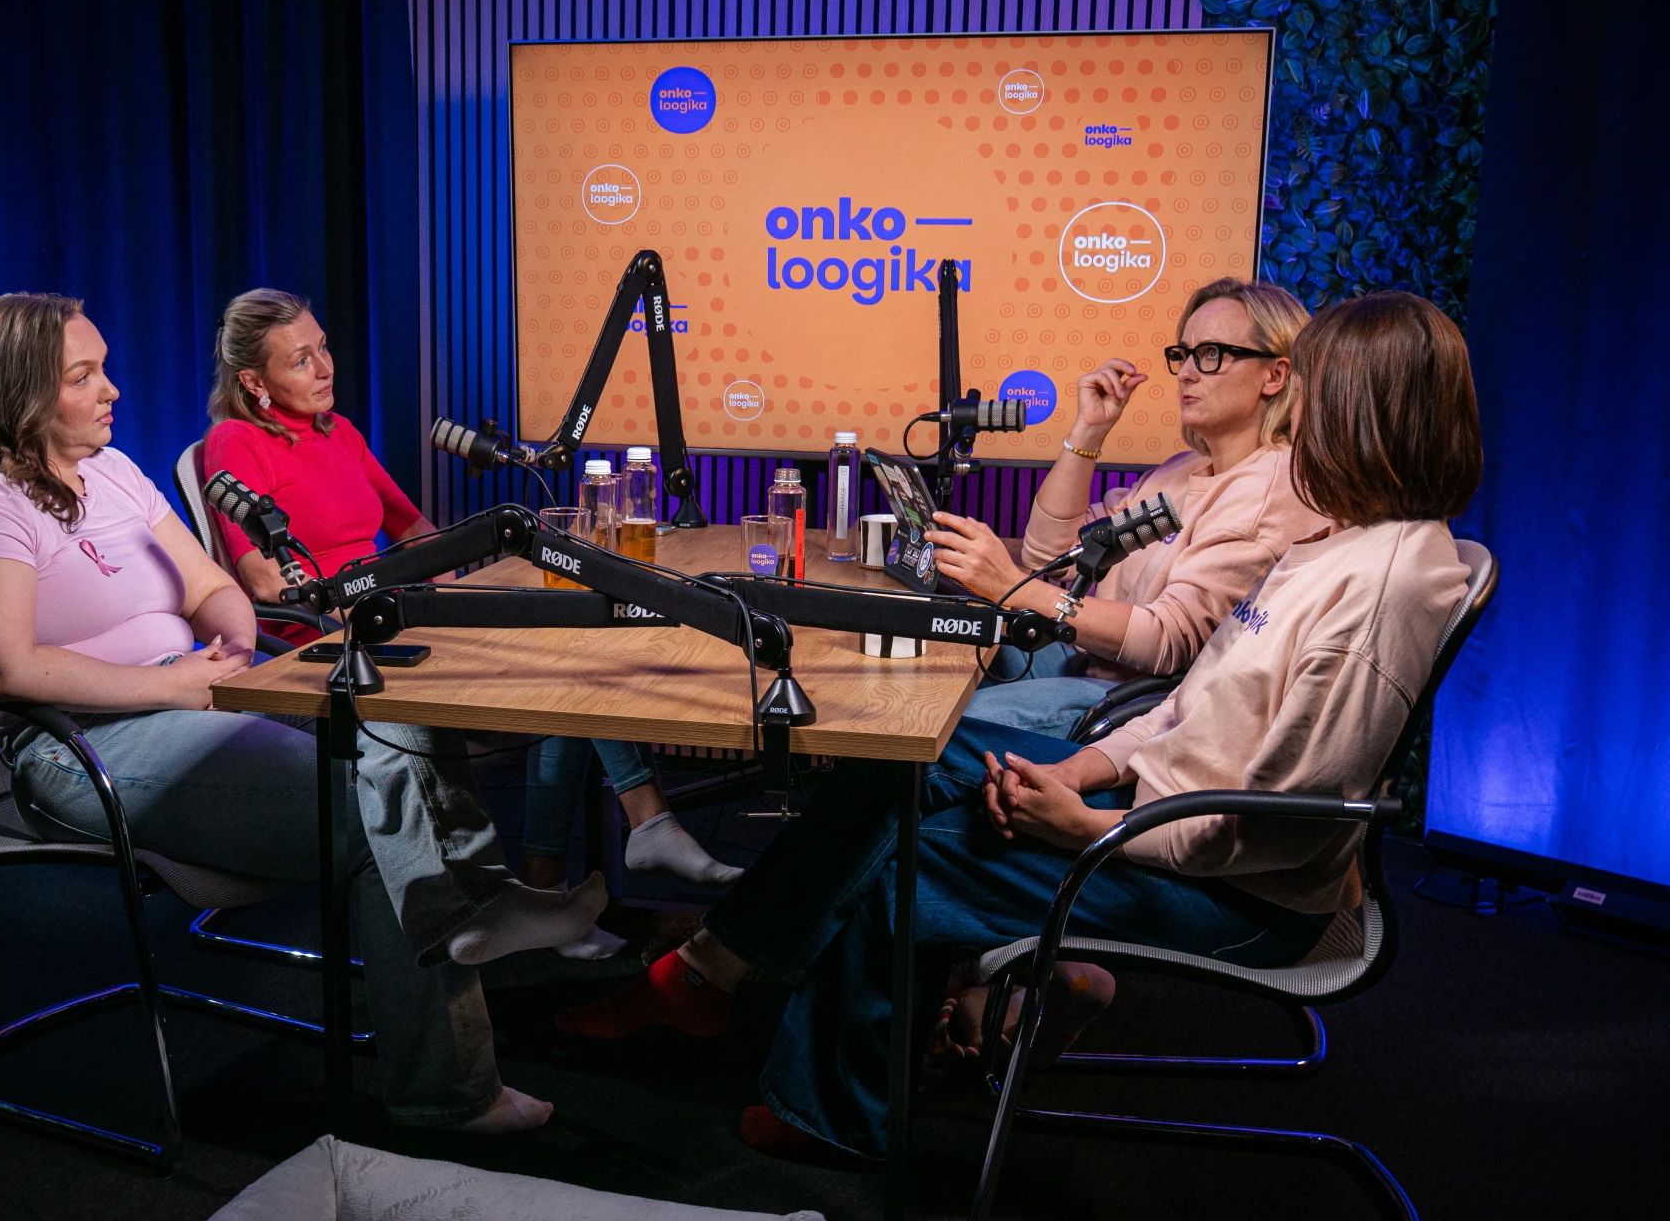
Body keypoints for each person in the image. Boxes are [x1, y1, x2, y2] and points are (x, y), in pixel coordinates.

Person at [559, 290, 1483, 1161]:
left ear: (1361, 411)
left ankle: (830, 1116)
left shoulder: (1379, 588)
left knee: (911, 862)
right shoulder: (1334, 543)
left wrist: (1089, 828)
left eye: (1311, 391)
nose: (1296, 415)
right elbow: (1190, 705)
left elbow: (1277, 827)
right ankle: (726, 981)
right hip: (1163, 811)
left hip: (1242, 898)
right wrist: (1086, 772)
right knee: (908, 770)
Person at [0, 292, 596, 1133]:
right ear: (18, 393)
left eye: (104, 368)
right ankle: (447, 1091)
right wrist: (174, 685)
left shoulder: (115, 474)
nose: (112, 390)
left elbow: (210, 584)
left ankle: (480, 897)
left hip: (200, 690)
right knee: (370, 813)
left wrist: (235, 642)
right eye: (82, 376)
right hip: (83, 743)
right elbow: (1, 666)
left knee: (403, 719)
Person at [201, 289, 741, 921]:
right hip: (328, 643)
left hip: (394, 620)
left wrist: (449, 590)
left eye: (323, 349)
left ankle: (552, 883)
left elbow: (414, 529)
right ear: (253, 381)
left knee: (572, 657)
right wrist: (384, 603)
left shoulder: (338, 432)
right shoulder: (235, 443)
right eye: (301, 360)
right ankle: (633, 830)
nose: (324, 369)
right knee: (566, 666)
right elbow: (266, 583)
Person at [924, 278, 1326, 739]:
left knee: (936, 723)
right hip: (1087, 661)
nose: (1186, 373)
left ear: (1275, 375)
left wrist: (1014, 589)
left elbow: (1166, 642)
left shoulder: (1268, 493)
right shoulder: (1182, 470)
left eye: (1211, 354)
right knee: (933, 665)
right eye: (1183, 354)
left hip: (1136, 704)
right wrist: (1089, 430)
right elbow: (1050, 555)